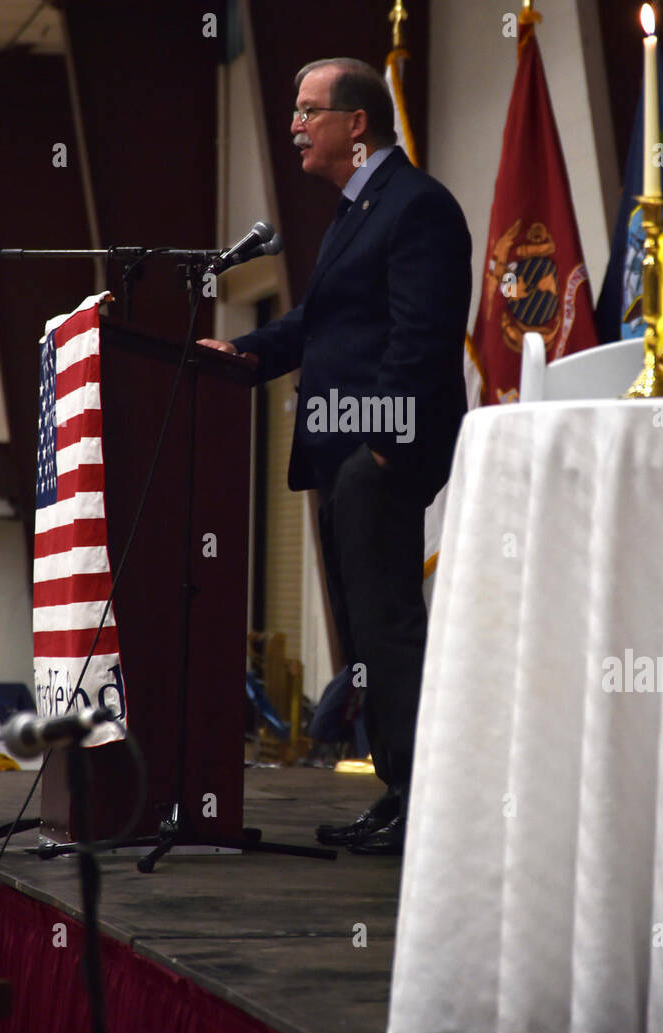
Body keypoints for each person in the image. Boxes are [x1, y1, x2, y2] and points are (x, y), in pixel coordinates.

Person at [198, 57, 472, 854]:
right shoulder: (355, 211)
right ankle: (398, 789)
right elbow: (318, 325)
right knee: (362, 638)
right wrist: (239, 355)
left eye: (307, 111)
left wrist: (384, 448)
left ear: (357, 125)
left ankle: (429, 801)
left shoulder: (415, 206)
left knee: (388, 629)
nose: (293, 126)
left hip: (379, 454)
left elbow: (422, 337)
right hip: (340, 455)